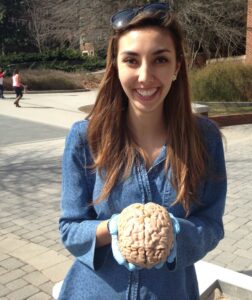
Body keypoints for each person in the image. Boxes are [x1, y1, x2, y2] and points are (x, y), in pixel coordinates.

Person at [59, 3, 227, 300]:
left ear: (177, 67)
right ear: (116, 66)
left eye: (160, 59)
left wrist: (177, 235)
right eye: (132, 61)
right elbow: (70, 229)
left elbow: (211, 225)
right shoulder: (85, 138)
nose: (145, 76)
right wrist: (110, 229)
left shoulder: (204, 138)